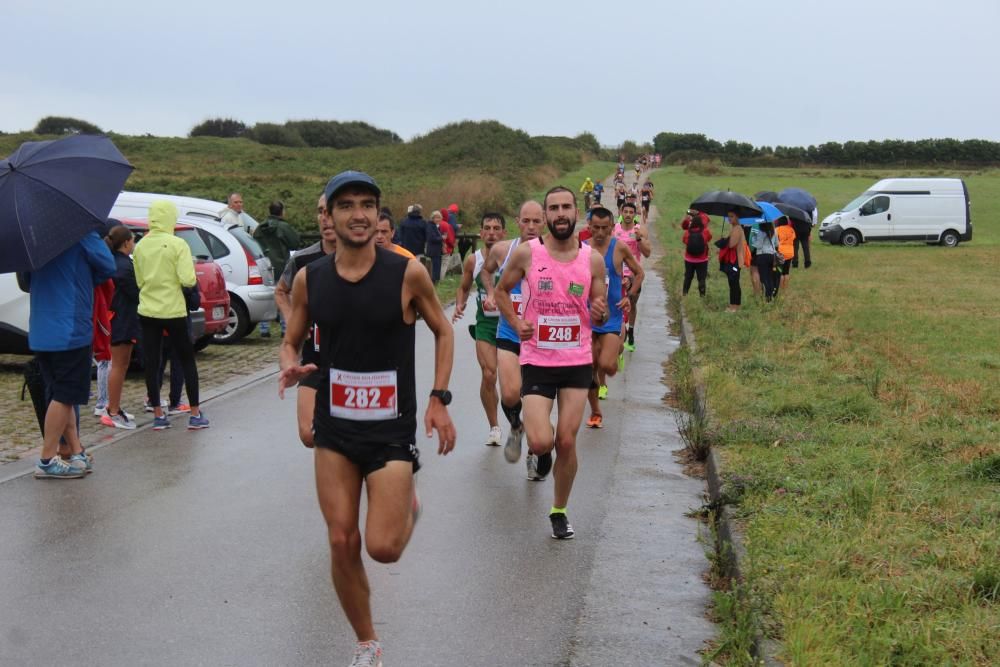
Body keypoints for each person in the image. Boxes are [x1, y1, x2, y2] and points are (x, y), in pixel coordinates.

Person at [278, 170, 456, 667]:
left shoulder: (407, 273)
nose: (358, 214)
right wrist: (288, 365)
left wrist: (439, 397)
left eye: (368, 204)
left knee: (382, 549)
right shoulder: (312, 279)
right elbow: (291, 339)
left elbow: (443, 332)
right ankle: (367, 643)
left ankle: (407, 509)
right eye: (347, 205)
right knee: (340, 538)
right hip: (335, 429)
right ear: (330, 217)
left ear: (380, 215)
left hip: (390, 431)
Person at [495, 186, 607, 539]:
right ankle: (539, 457)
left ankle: (559, 509)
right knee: (542, 441)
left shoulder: (592, 260)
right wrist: (516, 323)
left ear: (577, 213)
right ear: (545, 215)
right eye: (554, 208)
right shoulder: (528, 254)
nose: (560, 213)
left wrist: (600, 313)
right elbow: (501, 291)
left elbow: (598, 311)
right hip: (538, 360)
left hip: (576, 360)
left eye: (567, 207)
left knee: (568, 442)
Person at [21, 229, 116, 478]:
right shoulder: (80, 232)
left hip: (41, 327)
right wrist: (83, 279)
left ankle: (75, 451)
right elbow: (107, 266)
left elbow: (25, 281)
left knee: (62, 394)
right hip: (71, 326)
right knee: (65, 395)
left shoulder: (32, 236)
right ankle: (46, 459)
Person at [479, 201, 545, 478]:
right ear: (517, 221)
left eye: (536, 222)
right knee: (508, 393)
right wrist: (492, 292)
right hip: (509, 330)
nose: (531, 227)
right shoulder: (503, 250)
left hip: (540, 338)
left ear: (544, 222)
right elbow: (486, 269)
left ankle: (533, 451)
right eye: (525, 221)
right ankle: (515, 427)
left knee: (532, 400)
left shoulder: (552, 253)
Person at [133, 201, 209, 430]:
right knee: (186, 360)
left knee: (152, 361)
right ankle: (195, 414)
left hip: (148, 309)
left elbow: (138, 281)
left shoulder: (140, 246)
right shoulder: (178, 244)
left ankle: (158, 414)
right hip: (174, 310)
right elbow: (188, 279)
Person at [275, 193, 337, 448]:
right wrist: (293, 322)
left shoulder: (366, 258)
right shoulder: (302, 260)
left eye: (330, 211)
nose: (325, 218)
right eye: (320, 211)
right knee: (309, 434)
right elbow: (280, 291)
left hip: (354, 365)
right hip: (314, 360)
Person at [584, 207, 643, 424]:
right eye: (595, 228)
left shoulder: (619, 248)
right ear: (589, 226)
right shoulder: (582, 249)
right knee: (589, 367)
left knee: (607, 365)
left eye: (604, 228)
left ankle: (616, 347)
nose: (600, 233)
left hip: (612, 317)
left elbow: (639, 273)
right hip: (587, 318)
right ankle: (595, 411)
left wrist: (629, 296)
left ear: (612, 227)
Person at [452, 213, 506, 447]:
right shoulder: (473, 261)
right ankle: (494, 426)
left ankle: (517, 416)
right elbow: (463, 288)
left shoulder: (513, 256)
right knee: (488, 374)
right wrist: (460, 304)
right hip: (485, 324)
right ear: (481, 233)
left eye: (496, 228)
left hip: (511, 325)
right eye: (487, 228)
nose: (492, 232)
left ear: (504, 233)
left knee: (515, 384)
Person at [103, 225, 139, 430]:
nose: (134, 244)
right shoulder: (124, 266)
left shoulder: (116, 262)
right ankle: (112, 411)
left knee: (121, 364)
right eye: (132, 240)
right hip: (121, 319)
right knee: (118, 364)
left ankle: (114, 406)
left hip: (120, 318)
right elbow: (135, 293)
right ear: (126, 242)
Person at [253, 200, 302, 337]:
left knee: (267, 297)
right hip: (282, 265)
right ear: (282, 211)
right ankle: (285, 328)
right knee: (284, 295)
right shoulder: (284, 227)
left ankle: (264, 329)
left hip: (264, 265)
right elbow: (294, 243)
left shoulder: (259, 228)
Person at [615, 202, 650, 351]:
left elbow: (647, 253)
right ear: (621, 213)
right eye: (626, 211)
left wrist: (639, 239)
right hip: (617, 274)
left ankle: (631, 333)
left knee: (631, 305)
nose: (628, 214)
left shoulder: (639, 230)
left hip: (633, 274)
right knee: (616, 305)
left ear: (635, 215)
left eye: (631, 212)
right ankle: (617, 334)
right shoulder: (614, 229)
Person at [718, 212, 747, 312]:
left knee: (733, 283)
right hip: (735, 260)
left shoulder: (737, 229)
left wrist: (723, 240)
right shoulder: (735, 228)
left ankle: (733, 307)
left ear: (737, 217)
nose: (729, 219)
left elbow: (731, 244)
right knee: (734, 283)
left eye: (732, 216)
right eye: (728, 216)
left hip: (735, 260)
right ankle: (735, 305)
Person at [681, 210, 713, 297]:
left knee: (688, 277)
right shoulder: (705, 231)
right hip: (702, 260)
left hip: (689, 259)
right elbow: (709, 238)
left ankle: (685, 294)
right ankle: (702, 296)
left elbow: (684, 240)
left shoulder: (688, 232)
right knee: (701, 278)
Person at [751, 221, 779, 302]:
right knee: (770, 276)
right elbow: (777, 244)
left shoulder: (760, 232)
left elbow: (759, 245)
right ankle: (770, 296)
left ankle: (767, 296)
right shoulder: (774, 231)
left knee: (764, 277)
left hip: (762, 255)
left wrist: (754, 240)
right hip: (772, 255)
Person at [775, 216, 796, 294]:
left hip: (781, 252)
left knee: (780, 272)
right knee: (786, 272)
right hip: (790, 252)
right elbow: (794, 238)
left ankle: (780, 288)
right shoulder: (791, 229)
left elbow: (775, 239)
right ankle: (785, 288)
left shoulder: (777, 229)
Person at [426, 210, 445, 283]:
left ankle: (436, 281)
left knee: (437, 266)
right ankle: (433, 281)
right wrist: (441, 238)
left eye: (439, 218)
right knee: (434, 266)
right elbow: (431, 238)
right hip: (433, 250)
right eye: (436, 218)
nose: (438, 219)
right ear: (432, 218)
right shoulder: (430, 226)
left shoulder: (436, 226)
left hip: (437, 250)